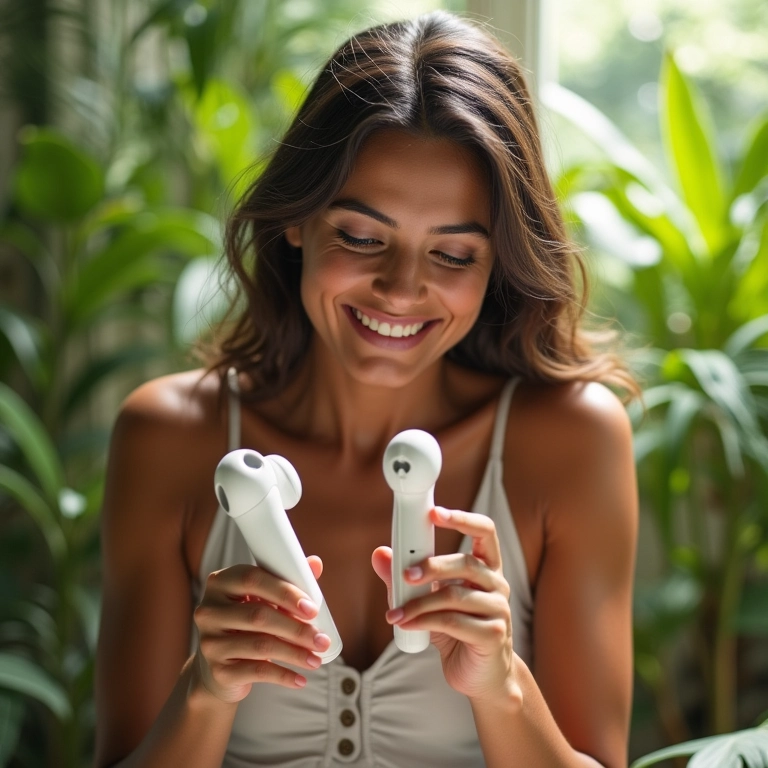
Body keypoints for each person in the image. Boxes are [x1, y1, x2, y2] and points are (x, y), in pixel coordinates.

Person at [94, 10, 639, 768]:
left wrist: (502, 689)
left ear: (497, 265)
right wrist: (206, 692)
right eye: (360, 237)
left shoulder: (571, 441)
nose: (401, 289)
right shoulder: (170, 437)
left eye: (453, 254)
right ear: (297, 221)